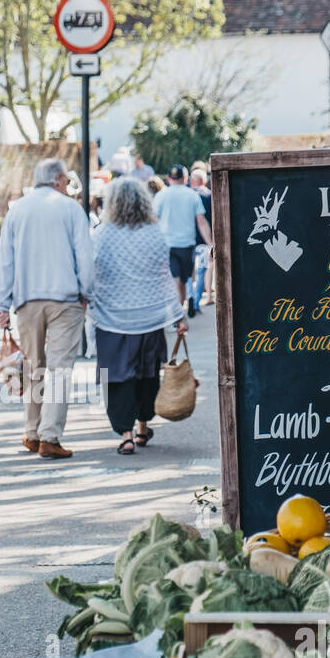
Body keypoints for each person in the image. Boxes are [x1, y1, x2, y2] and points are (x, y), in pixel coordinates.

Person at [0, 158, 94, 459]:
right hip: (66, 299)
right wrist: (86, 292)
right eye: (65, 180)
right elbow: (84, 255)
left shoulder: (17, 210)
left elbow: (6, 261)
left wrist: (1, 304)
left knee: (33, 366)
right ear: (59, 179)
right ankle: (50, 436)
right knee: (60, 369)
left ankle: (32, 432)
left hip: (26, 301)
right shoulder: (71, 209)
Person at [89, 177, 188, 455]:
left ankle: (126, 434)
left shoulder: (101, 234)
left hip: (112, 320)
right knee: (147, 374)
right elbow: (164, 279)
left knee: (118, 378)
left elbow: (92, 275)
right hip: (149, 319)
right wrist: (178, 316)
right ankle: (144, 426)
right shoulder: (155, 234)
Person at [152, 165, 212, 316]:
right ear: (185, 179)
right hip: (186, 245)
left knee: (177, 280)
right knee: (182, 280)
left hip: (167, 244)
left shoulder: (161, 195)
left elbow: (153, 220)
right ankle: (178, 312)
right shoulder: (191, 195)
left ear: (168, 178)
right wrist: (210, 243)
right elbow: (201, 221)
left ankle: (177, 311)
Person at [189, 168, 214, 313]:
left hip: (188, 240)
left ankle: (189, 296)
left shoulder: (186, 196)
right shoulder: (209, 195)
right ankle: (197, 301)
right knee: (201, 272)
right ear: (204, 181)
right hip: (204, 241)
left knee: (187, 274)